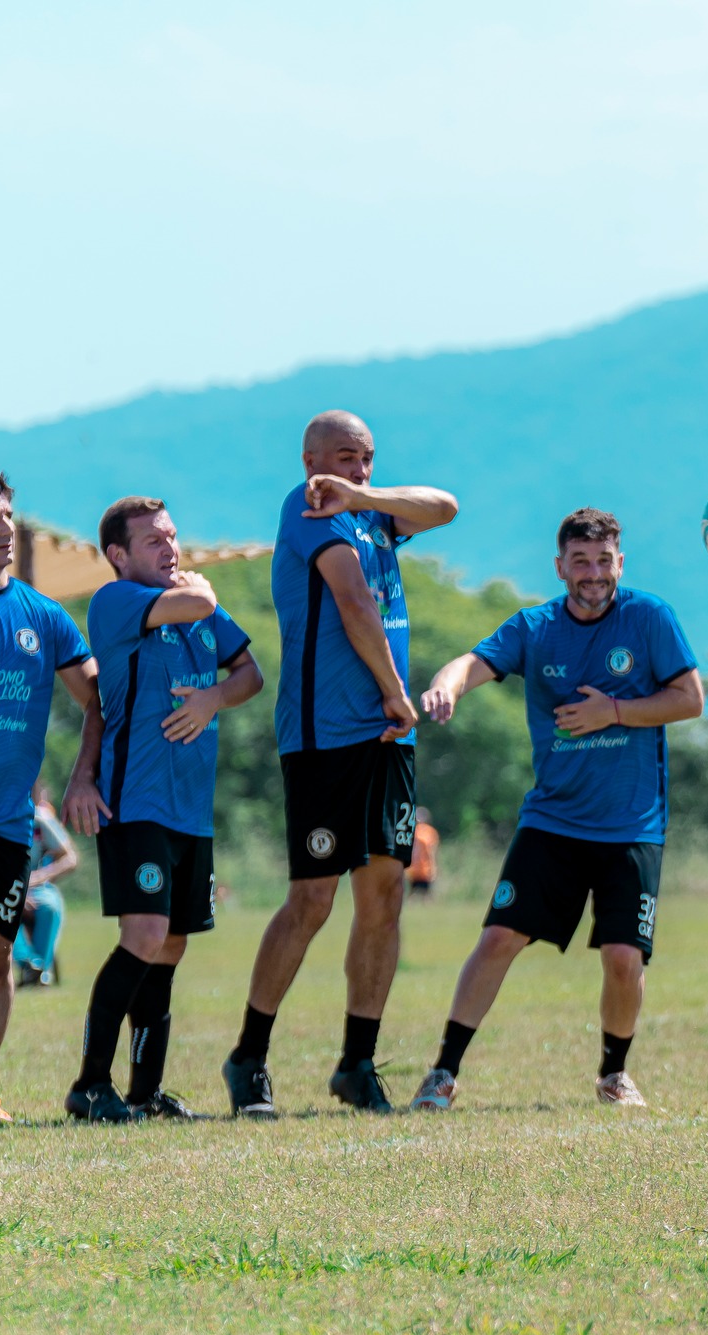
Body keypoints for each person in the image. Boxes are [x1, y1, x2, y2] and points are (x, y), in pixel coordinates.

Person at [410, 509, 702, 1110]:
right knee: (497, 940)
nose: (593, 573)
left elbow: (689, 699)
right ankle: (442, 1073)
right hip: (553, 820)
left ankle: (614, 1075)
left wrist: (614, 712)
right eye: (581, 561)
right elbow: (473, 662)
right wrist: (447, 685)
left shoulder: (649, 618)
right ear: (560, 566)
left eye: (603, 561)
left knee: (624, 958)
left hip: (632, 824)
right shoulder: (535, 627)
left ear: (620, 563)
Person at [223, 411, 458, 1119]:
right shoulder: (307, 507)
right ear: (310, 459)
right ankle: (249, 1057)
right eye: (347, 458)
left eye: (367, 457)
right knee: (314, 899)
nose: (358, 469)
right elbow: (354, 599)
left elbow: (446, 506)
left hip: (388, 740)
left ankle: (357, 1062)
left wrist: (371, 496)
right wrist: (394, 691)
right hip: (325, 736)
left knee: (385, 894)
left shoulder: (370, 512)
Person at [64, 497, 263, 1122]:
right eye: (153, 541)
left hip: (191, 810)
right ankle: (90, 1086)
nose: (170, 550)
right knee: (144, 936)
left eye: (173, 537)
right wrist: (200, 589)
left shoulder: (195, 602)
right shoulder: (117, 601)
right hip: (139, 802)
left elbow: (250, 674)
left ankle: (145, 1093)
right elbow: (199, 602)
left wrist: (212, 699)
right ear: (118, 555)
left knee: (171, 945)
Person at [0, 474, 109, 1126]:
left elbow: (96, 698)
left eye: (8, 515)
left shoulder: (43, 616)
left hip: (8, 826)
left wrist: (82, 776)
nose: (4, 529)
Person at [17, 784, 78, 988]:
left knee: (51, 906)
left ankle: (39, 971)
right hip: (3, 889)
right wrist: (18, 893)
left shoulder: (39, 819)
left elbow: (70, 858)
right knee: (6, 907)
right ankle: (29, 964)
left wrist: (41, 876)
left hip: (37, 887)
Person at [409, 808, 440, 898]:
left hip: (425, 869)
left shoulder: (430, 832)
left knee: (426, 895)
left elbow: (432, 851)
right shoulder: (413, 831)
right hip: (414, 869)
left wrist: (434, 867)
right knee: (414, 894)